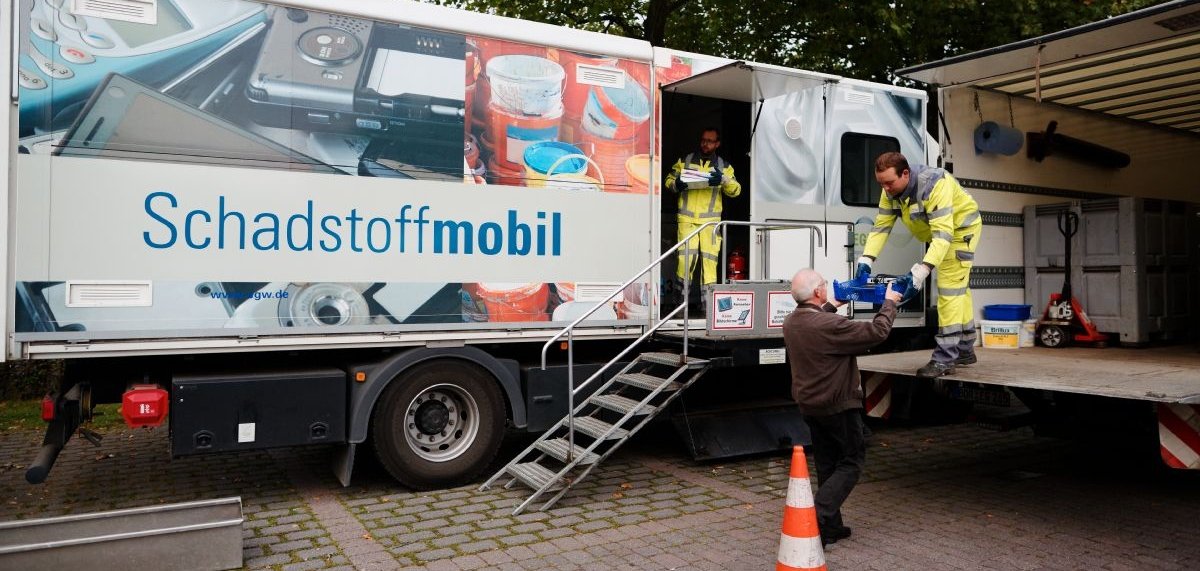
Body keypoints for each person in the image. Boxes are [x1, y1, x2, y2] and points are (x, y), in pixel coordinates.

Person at [782, 268, 901, 546]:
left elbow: (816, 318)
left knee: (827, 463)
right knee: (851, 461)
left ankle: (830, 528)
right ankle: (815, 515)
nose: (826, 286)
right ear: (816, 292)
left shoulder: (791, 322)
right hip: (838, 405)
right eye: (823, 284)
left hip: (810, 406)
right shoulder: (829, 326)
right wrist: (890, 303)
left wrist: (832, 305)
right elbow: (877, 332)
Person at [856, 151, 982, 378]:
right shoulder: (891, 190)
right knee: (959, 289)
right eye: (881, 184)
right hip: (940, 235)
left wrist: (921, 271)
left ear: (905, 174)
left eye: (889, 183)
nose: (885, 189)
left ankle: (945, 358)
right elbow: (882, 226)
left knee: (950, 290)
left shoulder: (935, 184)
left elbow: (944, 235)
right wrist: (866, 258)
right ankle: (965, 348)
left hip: (960, 232)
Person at [663, 127, 741, 308]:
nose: (705, 144)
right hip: (687, 220)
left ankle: (709, 311)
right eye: (703, 140)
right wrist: (677, 184)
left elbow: (736, 190)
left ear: (717, 144)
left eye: (710, 141)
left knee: (710, 265)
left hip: (710, 224)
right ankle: (679, 308)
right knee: (684, 262)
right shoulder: (685, 161)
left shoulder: (724, 167)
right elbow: (668, 181)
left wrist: (724, 180)